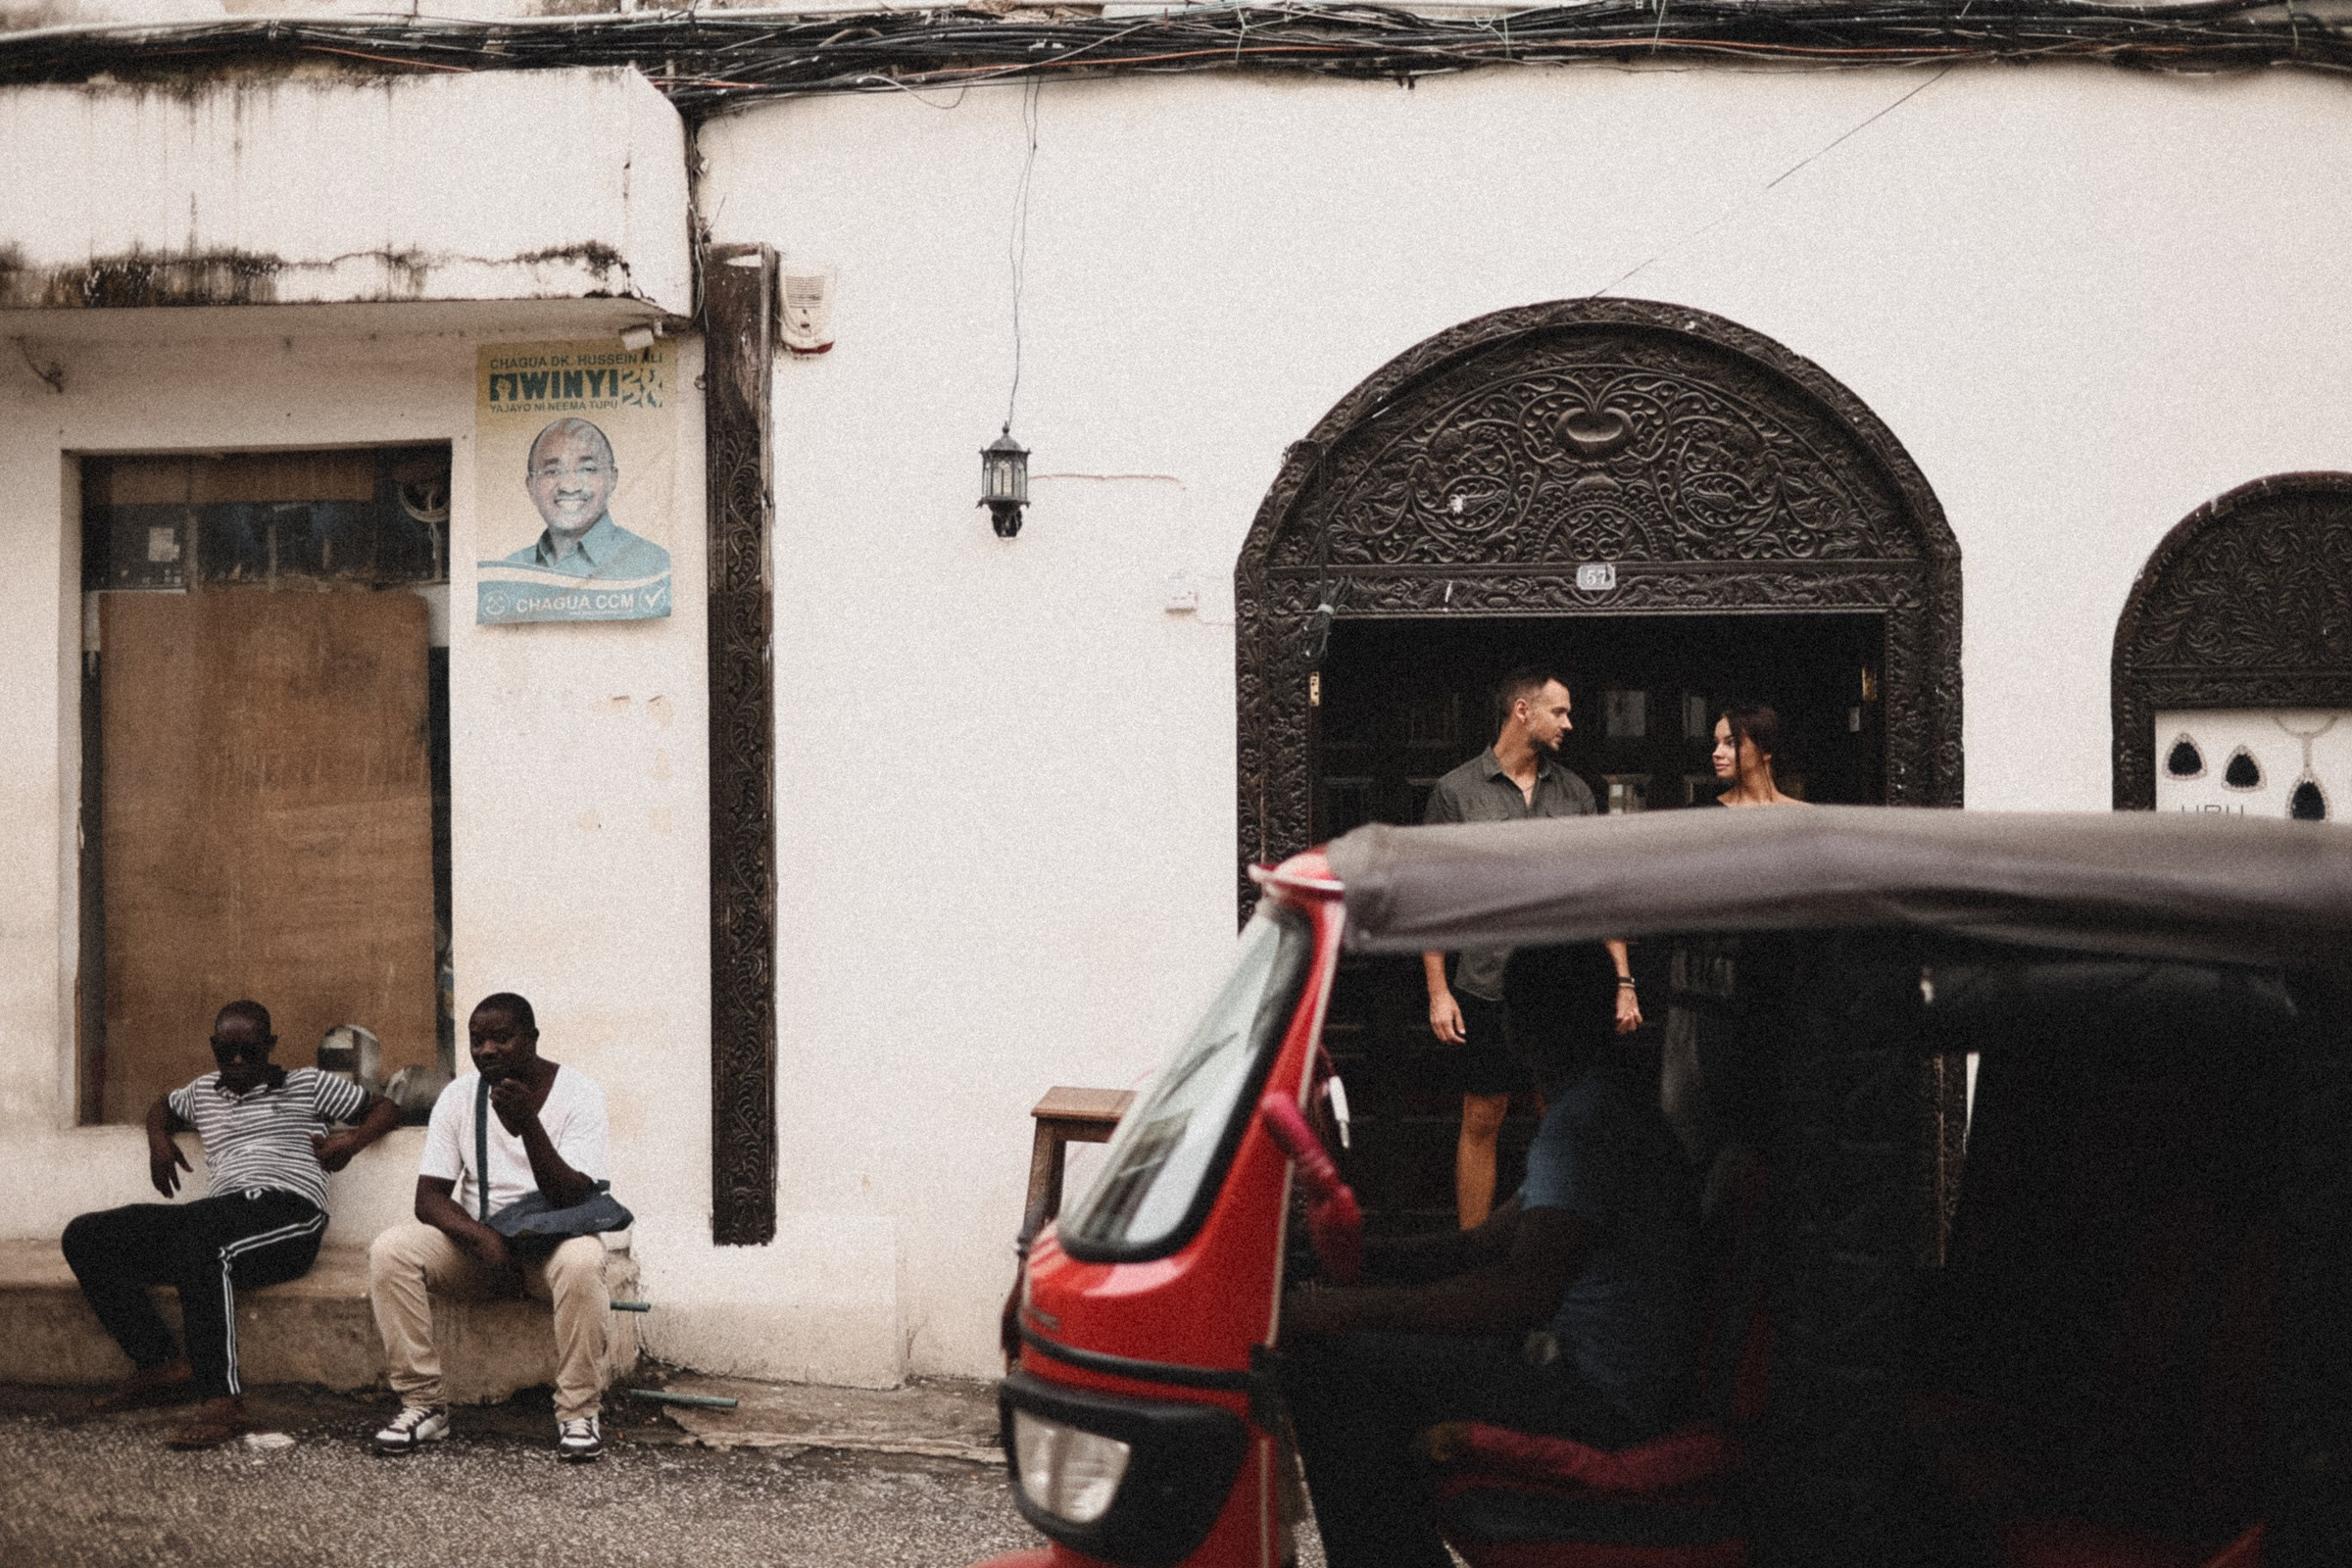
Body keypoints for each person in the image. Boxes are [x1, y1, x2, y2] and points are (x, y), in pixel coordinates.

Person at [1278, 956, 1701, 1568]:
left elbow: (1519, 1294)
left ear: (1514, 1028)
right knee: (1364, 1351)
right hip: (1599, 1373)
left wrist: (1344, 1310)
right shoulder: (1603, 1107)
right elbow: (1481, 1244)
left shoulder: (1582, 1124)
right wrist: (1357, 1259)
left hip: (1599, 1398)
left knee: (1338, 1367)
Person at [60, 1000, 402, 1448]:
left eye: (250, 1051)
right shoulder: (203, 1092)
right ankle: (161, 1364)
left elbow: (387, 1108)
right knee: (87, 1236)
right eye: (227, 1052)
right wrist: (158, 1141)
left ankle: (222, 1401)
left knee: (202, 1245)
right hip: (220, 1212)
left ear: (271, 1046)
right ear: (214, 1048)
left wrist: (351, 1142)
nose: (237, 1062)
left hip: (288, 1213)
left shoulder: (306, 1084)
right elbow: (161, 1106)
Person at [1422, 666, 1642, 1228]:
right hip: (1485, 984)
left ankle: (1554, 1249)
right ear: (1523, 711)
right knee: (1482, 1117)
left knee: (1561, 1115)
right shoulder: (1457, 792)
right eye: (1559, 712)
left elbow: (1601, 894)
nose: (1569, 723)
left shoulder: (1574, 793)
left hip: (1566, 982)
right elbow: (1434, 897)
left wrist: (1623, 981)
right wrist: (1438, 991)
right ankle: (1474, 1254)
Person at [368, 992, 614, 1462]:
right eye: (477, 1040)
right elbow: (429, 1197)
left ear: (532, 1039)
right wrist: (481, 1238)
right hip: (484, 1251)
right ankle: (423, 1405)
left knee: (584, 1260)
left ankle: (578, 1411)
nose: (487, 1051)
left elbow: (573, 1196)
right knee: (391, 1250)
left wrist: (530, 1124)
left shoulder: (578, 1093)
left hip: (551, 1250)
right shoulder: (460, 1097)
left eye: (502, 1038)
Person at [495, 417, 670, 580]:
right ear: (530, 486)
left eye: (587, 469)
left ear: (612, 479)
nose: (569, 486)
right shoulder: (512, 571)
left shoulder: (653, 565)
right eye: (552, 471)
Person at [1708, 701, 1808, 808]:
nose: (1716, 753)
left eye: (1731, 743)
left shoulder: (1803, 814)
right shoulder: (1706, 812)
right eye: (1717, 743)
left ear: (1765, 749)